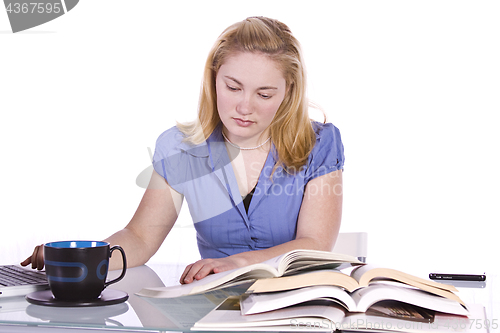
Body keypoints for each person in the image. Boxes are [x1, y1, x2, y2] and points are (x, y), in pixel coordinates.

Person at [22, 16, 344, 285]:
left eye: (264, 94)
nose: (245, 107)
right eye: (233, 87)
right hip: (217, 311)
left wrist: (238, 263)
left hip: (299, 311)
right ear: (214, 78)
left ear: (288, 92)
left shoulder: (320, 143)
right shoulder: (179, 147)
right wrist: (78, 258)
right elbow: (140, 238)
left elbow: (314, 246)